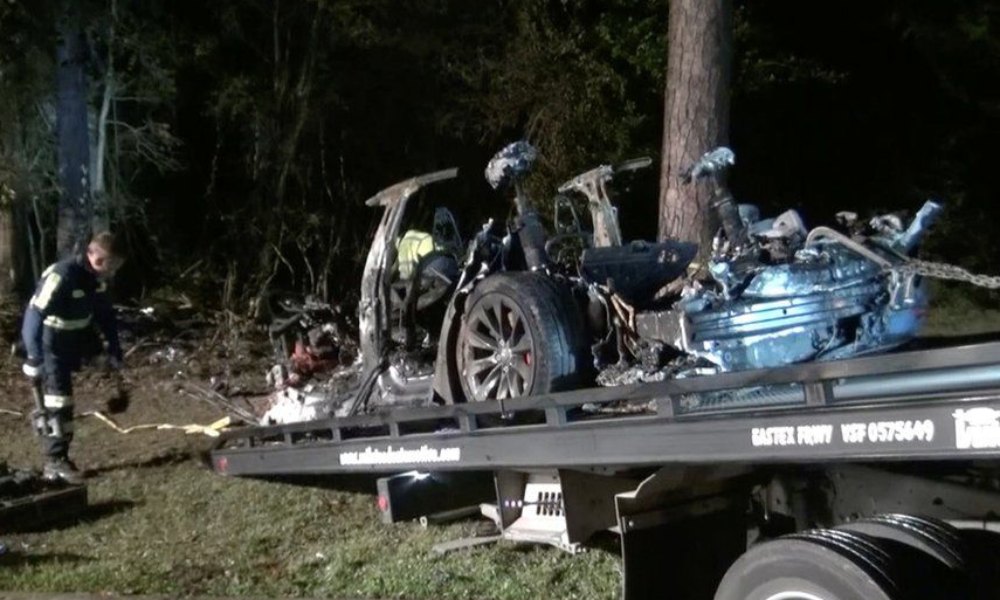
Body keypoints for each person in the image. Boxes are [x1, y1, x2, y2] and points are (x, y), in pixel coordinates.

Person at [21, 231, 124, 484]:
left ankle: (60, 456)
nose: (113, 271)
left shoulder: (96, 280)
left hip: (79, 337)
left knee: (79, 388)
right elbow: (34, 316)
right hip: (52, 344)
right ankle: (55, 460)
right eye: (112, 265)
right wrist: (33, 357)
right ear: (97, 258)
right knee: (58, 401)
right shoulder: (62, 275)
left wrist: (113, 349)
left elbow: (105, 315)